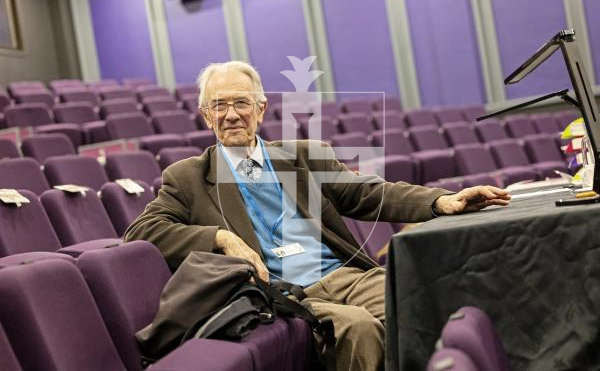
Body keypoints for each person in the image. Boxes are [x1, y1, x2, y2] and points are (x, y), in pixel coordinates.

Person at [124, 61, 511, 371]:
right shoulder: (188, 177)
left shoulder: (303, 157)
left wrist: (441, 202)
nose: (230, 115)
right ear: (206, 117)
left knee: (425, 299)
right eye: (218, 106)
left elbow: (368, 193)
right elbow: (142, 230)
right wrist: (219, 238)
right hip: (278, 293)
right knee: (357, 329)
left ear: (260, 109)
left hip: (342, 276)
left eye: (240, 103)